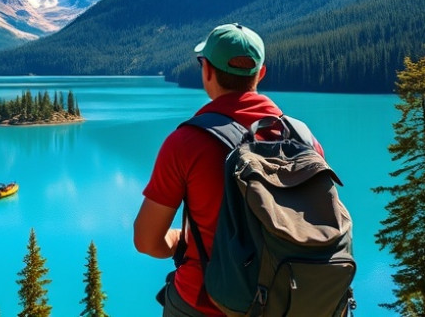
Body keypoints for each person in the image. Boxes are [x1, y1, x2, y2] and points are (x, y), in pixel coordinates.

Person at [133, 23, 322, 316]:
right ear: (260, 74)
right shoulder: (304, 140)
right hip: (290, 301)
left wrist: (176, 238)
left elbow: (147, 241)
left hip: (207, 305)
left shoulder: (187, 142)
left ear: (206, 70)